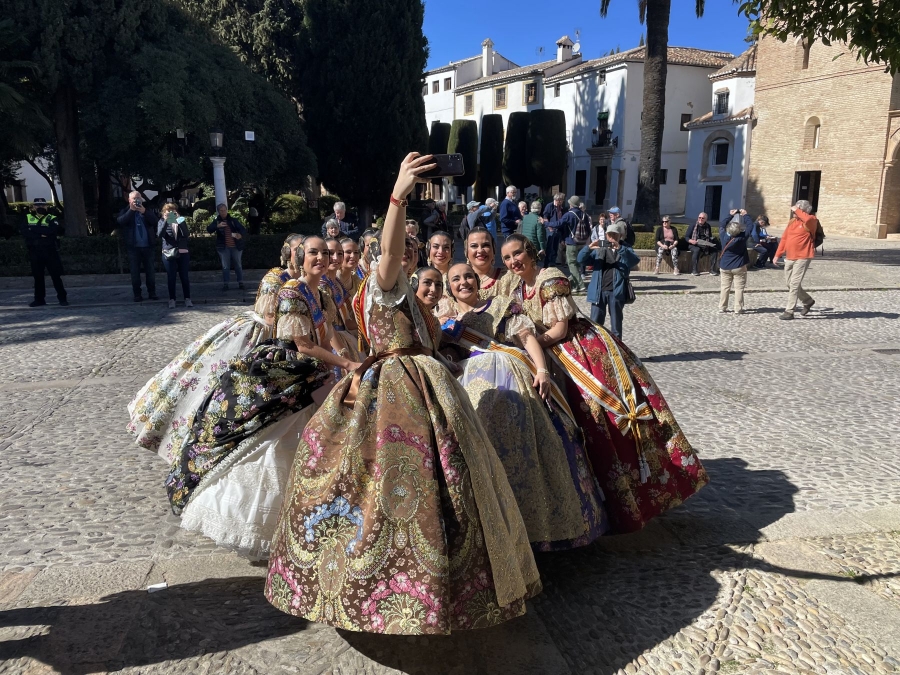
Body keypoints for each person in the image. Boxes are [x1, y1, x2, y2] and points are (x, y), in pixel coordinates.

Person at [265, 152, 540, 634]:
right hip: (396, 386)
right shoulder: (382, 281)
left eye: (414, 244)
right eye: (403, 244)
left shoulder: (407, 291)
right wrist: (398, 194)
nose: (408, 250)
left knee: (442, 484)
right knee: (392, 487)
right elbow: (388, 255)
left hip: (421, 382)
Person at [501, 233, 708, 534]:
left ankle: (653, 489)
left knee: (608, 418)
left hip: (585, 353)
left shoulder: (550, 279)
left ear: (530, 252)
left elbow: (559, 329)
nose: (513, 261)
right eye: (507, 258)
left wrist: (528, 348)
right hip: (558, 357)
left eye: (517, 254)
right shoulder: (520, 288)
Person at [171, 235, 361, 559]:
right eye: (313, 253)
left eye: (325, 253)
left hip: (316, 373)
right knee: (280, 446)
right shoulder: (291, 292)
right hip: (290, 375)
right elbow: (301, 344)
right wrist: (345, 363)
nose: (321, 258)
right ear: (300, 258)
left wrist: (345, 356)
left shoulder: (322, 292)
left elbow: (327, 332)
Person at [439, 263, 608, 551]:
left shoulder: (501, 305)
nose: (464, 282)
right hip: (471, 389)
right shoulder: (444, 318)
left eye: (468, 276)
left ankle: (537, 529)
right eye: (456, 279)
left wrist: (541, 371)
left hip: (510, 380)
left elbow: (527, 340)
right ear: (449, 286)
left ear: (477, 280)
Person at [128, 234, 305, 462]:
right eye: (298, 250)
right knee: (218, 385)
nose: (300, 254)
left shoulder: (305, 280)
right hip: (259, 335)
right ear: (287, 252)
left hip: (281, 336)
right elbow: (269, 316)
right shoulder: (276, 278)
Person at [578, 221, 639, 339]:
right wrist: (589, 248)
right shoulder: (599, 249)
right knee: (595, 325)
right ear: (606, 235)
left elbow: (634, 261)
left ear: (620, 236)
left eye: (615, 235)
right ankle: (596, 350)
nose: (612, 238)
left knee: (616, 326)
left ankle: (618, 351)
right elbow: (580, 260)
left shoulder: (625, 248)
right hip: (598, 291)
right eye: (610, 235)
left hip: (616, 292)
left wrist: (620, 248)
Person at [773, 200, 818, 320]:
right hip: (790, 256)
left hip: (803, 256)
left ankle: (789, 311)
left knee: (794, 284)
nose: (793, 210)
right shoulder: (792, 221)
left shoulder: (812, 220)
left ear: (803, 211)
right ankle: (808, 301)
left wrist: (797, 210)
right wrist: (777, 254)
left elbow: (808, 220)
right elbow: (784, 238)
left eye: (797, 209)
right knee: (789, 283)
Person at [321, 237, 362, 365]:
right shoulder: (321, 285)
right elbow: (326, 326)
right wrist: (342, 353)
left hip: (345, 337)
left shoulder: (337, 284)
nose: (336, 258)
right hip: (331, 344)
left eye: (339, 254)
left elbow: (348, 320)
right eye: (330, 253)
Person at [22, 198, 67, 307]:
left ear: (47, 206)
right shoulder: (28, 217)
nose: (40, 207)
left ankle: (62, 298)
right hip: (35, 252)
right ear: (33, 207)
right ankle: (39, 300)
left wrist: (33, 230)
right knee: (38, 277)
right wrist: (41, 234)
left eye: (43, 205)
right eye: (37, 205)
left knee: (56, 276)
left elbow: (51, 231)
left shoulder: (52, 218)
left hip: (50, 251)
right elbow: (24, 232)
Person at [117, 191, 159, 302]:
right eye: (134, 198)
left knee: (150, 271)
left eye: (138, 198)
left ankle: (152, 292)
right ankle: (137, 294)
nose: (137, 200)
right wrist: (132, 210)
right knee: (135, 273)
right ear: (129, 200)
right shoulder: (125, 211)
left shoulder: (147, 210)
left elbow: (155, 221)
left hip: (148, 246)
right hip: (133, 248)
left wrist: (144, 211)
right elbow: (121, 221)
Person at [465, 225, 515, 299]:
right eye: (474, 246)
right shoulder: (458, 281)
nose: (480, 251)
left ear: (493, 249)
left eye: (485, 245)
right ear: (466, 251)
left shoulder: (509, 278)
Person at [158, 204, 192, 309]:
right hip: (169, 252)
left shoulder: (180, 219)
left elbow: (186, 234)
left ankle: (187, 298)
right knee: (171, 276)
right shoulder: (161, 221)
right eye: (168, 211)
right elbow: (160, 234)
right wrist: (165, 221)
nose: (170, 213)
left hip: (182, 251)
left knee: (184, 276)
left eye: (172, 211)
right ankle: (172, 299)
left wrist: (179, 220)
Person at [207, 203, 248, 291]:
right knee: (225, 266)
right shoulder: (217, 221)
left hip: (235, 246)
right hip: (223, 247)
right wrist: (217, 226)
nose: (223, 212)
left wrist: (240, 235)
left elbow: (243, 229)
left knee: (238, 264)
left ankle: (241, 282)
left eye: (225, 210)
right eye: (221, 211)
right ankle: (226, 284)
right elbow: (209, 229)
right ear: (218, 212)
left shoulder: (233, 220)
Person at [718, 214, 751, 314]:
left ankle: (722, 307)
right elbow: (750, 226)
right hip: (739, 266)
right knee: (739, 288)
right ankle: (738, 308)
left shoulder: (723, 236)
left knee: (725, 287)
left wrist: (729, 215)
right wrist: (745, 215)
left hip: (725, 266)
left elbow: (722, 225)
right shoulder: (742, 238)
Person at [559, 196, 591, 293]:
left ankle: (581, 285)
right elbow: (588, 230)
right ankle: (574, 286)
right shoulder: (583, 214)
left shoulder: (569, 214)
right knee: (576, 264)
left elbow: (559, 223)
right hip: (581, 242)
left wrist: (546, 223)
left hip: (572, 242)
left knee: (572, 264)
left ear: (571, 204)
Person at [426, 230, 456, 317]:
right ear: (428, 249)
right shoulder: (420, 277)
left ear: (452, 251)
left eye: (446, 247)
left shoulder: (458, 278)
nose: (441, 251)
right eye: (436, 246)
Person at [542, 192, 568, 265]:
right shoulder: (549, 206)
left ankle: (552, 263)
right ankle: (546, 264)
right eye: (561, 200)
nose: (562, 202)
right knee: (549, 247)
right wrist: (549, 227)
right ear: (558, 200)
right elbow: (545, 217)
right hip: (550, 229)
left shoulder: (562, 208)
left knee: (555, 248)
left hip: (558, 229)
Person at [338, 237, 364, 301]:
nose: (353, 256)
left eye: (356, 252)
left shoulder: (357, 281)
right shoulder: (332, 281)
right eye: (348, 252)